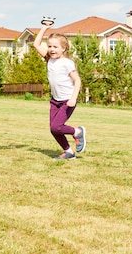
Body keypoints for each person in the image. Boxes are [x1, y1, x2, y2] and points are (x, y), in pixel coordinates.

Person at [33, 18, 86, 160]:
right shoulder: (49, 59)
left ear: (64, 48)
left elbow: (77, 80)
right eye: (50, 46)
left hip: (67, 100)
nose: (51, 49)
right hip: (55, 101)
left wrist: (73, 98)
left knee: (57, 127)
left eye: (55, 47)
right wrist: (45, 28)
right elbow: (36, 44)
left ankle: (77, 131)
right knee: (53, 129)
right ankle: (68, 151)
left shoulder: (66, 63)